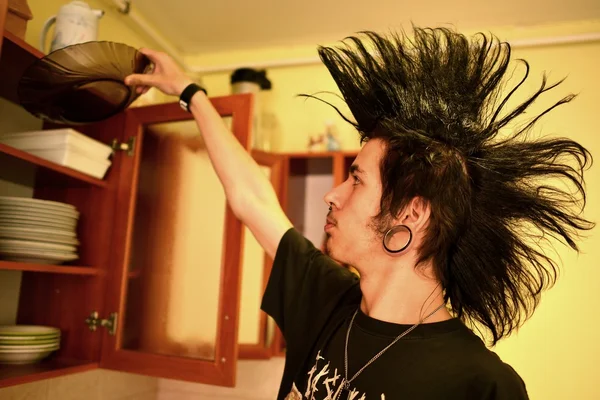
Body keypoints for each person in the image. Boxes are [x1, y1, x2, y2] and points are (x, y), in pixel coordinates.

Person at [124, 26, 594, 400]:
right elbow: (252, 199)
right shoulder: (328, 300)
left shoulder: (479, 385)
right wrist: (190, 92)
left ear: (411, 214)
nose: (333, 195)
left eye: (357, 178)